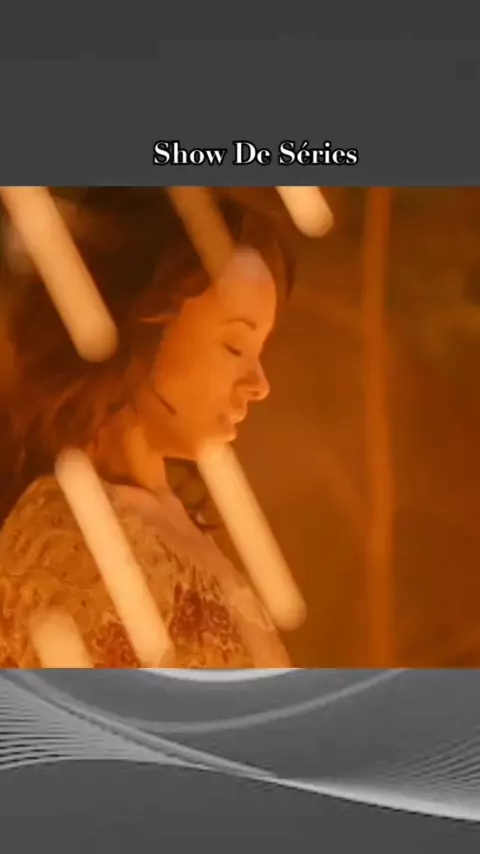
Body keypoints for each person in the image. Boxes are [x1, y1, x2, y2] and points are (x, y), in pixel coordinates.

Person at [0, 187, 295, 669]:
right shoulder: (73, 540)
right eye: (235, 346)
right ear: (141, 321)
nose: (259, 385)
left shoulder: (168, 527)